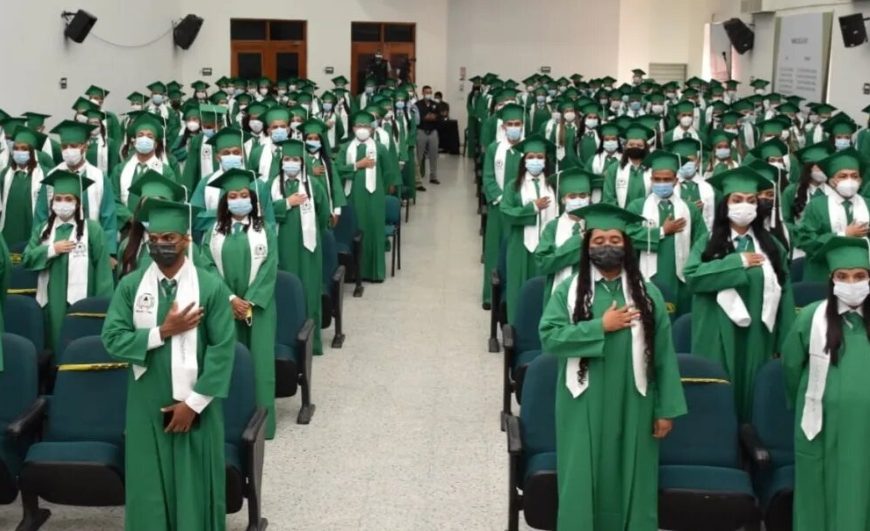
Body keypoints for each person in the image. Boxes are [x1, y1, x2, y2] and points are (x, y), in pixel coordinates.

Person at [539, 203, 686, 531]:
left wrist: (666, 410)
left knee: (632, 474)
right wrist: (599, 327)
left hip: (635, 400)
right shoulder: (569, 291)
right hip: (583, 399)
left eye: (615, 240)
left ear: (628, 245)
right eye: (599, 240)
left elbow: (663, 354)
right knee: (583, 475)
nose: (607, 246)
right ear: (587, 246)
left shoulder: (648, 295)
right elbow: (549, 338)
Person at [101, 198, 235, 531]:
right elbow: (113, 339)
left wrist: (193, 404)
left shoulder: (210, 287)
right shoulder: (132, 286)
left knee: (193, 482)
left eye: (169, 238)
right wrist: (163, 331)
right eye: (155, 238)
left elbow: (222, 350)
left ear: (186, 240)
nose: (161, 245)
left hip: (195, 402)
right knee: (148, 483)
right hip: (145, 400)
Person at [683, 167, 795, 419]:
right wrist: (738, 262)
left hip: (759, 333)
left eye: (751, 200)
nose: (744, 206)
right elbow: (692, 277)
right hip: (716, 331)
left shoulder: (772, 245)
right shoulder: (707, 242)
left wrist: (783, 342)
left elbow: (785, 294)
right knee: (718, 397)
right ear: (725, 204)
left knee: (755, 393)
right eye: (737, 199)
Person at [783, 236, 870, 531]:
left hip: (866, 429)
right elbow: (791, 366)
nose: (852, 283)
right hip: (822, 426)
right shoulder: (812, 318)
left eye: (860, 276)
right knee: (820, 494)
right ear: (832, 280)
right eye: (843, 276)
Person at [201, 169, 277, 438]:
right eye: (232, 196)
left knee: (259, 363)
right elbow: (206, 267)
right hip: (225, 307)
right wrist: (231, 299)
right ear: (225, 201)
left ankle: (262, 423)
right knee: (227, 360)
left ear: (252, 199)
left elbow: (270, 267)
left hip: (260, 307)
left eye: (244, 195)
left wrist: (250, 301)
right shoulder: (213, 232)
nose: (238, 200)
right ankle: (229, 422)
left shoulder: (265, 230)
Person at [23, 171, 113, 351]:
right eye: (58, 198)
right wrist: (51, 250)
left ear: (78, 202)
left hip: (82, 301)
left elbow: (103, 273)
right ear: (52, 202)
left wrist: (100, 307)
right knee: (53, 344)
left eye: (68, 198)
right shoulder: (43, 230)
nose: (62, 203)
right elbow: (27, 259)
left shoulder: (92, 230)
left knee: (79, 346)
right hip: (50, 301)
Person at [627, 150, 707, 313]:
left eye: (667, 179)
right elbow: (627, 236)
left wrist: (694, 269)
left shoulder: (689, 209)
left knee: (679, 317)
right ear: (651, 179)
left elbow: (701, 241)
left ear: (676, 181)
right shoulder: (637, 207)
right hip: (648, 273)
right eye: (657, 179)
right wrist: (662, 230)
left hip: (681, 276)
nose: (661, 183)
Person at [272, 138, 331, 354]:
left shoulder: (313, 186)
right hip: (280, 246)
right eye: (287, 159)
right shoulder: (272, 186)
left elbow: (324, 213)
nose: (291, 163)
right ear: (281, 162)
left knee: (308, 290)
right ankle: (284, 341)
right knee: (284, 292)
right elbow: (266, 212)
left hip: (308, 250)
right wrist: (287, 203)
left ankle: (311, 343)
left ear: (302, 162)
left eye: (295, 159)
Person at [39, 120, 119, 257]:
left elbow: (108, 217)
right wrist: (44, 247)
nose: (68, 150)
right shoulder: (52, 176)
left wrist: (109, 252)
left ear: (84, 147)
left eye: (73, 146)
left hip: (91, 247)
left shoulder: (99, 177)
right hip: (57, 246)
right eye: (64, 146)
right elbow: (41, 214)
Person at [500, 134, 558, 322]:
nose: (535, 161)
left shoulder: (554, 185)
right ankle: (516, 331)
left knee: (543, 288)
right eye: (531, 157)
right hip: (520, 244)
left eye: (540, 157)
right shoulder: (513, 186)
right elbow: (506, 211)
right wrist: (532, 208)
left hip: (547, 245)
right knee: (518, 286)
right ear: (523, 160)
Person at [337, 111, 397, 282]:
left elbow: (389, 172)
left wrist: (386, 189)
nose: (362, 129)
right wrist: (357, 165)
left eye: (365, 126)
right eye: (358, 126)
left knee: (373, 230)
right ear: (353, 128)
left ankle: (374, 272)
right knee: (355, 230)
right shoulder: (345, 148)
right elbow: (337, 169)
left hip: (374, 196)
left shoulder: (380, 148)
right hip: (352, 196)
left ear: (371, 129)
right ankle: (354, 273)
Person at [794, 149, 868, 282]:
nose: (849, 180)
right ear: (832, 181)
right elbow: (805, 240)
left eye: (854, 176)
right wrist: (843, 235)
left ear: (861, 181)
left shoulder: (867, 205)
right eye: (843, 176)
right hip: (823, 272)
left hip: (862, 274)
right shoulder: (817, 206)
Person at [112, 113, 180, 231]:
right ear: (134, 141)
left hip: (156, 228)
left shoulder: (165, 171)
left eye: (150, 136)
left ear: (156, 143)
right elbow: (113, 199)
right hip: (127, 228)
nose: (145, 139)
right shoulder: (120, 169)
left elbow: (171, 200)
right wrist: (129, 217)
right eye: (140, 135)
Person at [534, 168, 591, 306]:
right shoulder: (552, 227)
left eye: (583, 196)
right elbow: (542, 263)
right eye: (572, 196)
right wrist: (577, 242)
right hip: (559, 294)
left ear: (590, 198)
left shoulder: (597, 225)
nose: (578, 200)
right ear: (563, 199)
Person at [781, 143, 835, 259]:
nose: (823, 170)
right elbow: (786, 220)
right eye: (819, 167)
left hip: (830, 244)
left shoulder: (834, 191)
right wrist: (800, 232)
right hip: (801, 247)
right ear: (808, 168)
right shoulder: (791, 191)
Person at [0, 126, 50, 248]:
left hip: (33, 228)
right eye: (16, 148)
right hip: (8, 230)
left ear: (32, 151)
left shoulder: (45, 174)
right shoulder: (5, 173)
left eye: (24, 149)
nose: (19, 152)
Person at [602, 123, 654, 209]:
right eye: (631, 145)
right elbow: (608, 198)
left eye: (639, 145)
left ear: (645, 147)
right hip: (621, 217)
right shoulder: (614, 169)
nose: (635, 148)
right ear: (625, 146)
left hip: (647, 215)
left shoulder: (652, 168)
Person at [416, 85, 442, 185]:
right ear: (422, 93)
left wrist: (433, 117)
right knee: (419, 155)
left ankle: (433, 176)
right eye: (426, 92)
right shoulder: (418, 104)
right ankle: (417, 179)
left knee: (433, 155)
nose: (428, 94)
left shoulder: (435, 104)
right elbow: (419, 118)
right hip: (421, 131)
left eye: (430, 92)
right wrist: (426, 117)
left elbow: (439, 117)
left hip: (433, 132)